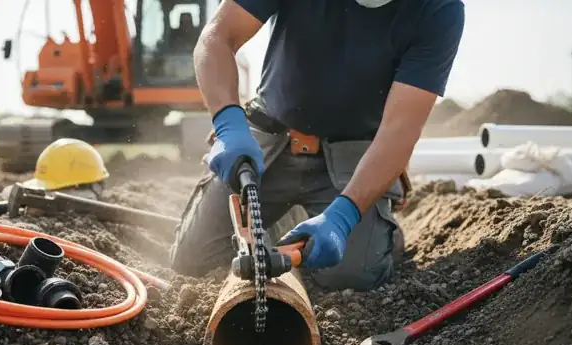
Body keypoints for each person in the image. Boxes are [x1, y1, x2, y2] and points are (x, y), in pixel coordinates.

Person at [170, 0, 465, 291]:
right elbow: (218, 35)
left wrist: (344, 216)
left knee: (352, 277)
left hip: (353, 158)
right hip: (270, 141)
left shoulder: (438, 10)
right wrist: (228, 123)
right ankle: (285, 216)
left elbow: (399, 131)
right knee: (194, 260)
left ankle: (376, 230)